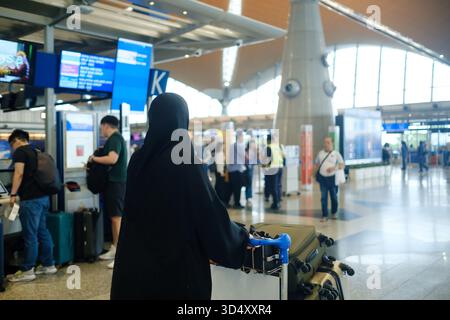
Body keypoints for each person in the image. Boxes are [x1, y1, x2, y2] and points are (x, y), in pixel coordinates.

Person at [110, 93, 248, 300]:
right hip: (175, 274)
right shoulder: (185, 161)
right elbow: (208, 214)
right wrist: (238, 237)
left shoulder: (138, 159)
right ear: (181, 121)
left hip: (134, 268)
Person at [6, 129, 56, 282]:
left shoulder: (20, 152)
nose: (12, 148)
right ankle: (49, 265)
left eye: (12, 145)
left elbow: (18, 173)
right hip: (43, 198)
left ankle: (28, 269)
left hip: (30, 200)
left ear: (17, 140)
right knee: (42, 231)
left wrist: (13, 194)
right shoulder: (37, 151)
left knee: (30, 235)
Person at [90, 115, 127, 270]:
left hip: (116, 183)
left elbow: (112, 159)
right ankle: (114, 248)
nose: (101, 131)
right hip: (114, 183)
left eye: (101, 127)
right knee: (113, 217)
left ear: (106, 125)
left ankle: (120, 255)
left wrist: (94, 159)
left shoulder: (115, 138)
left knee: (117, 218)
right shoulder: (116, 138)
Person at [314, 137, 345, 222]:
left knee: (334, 197)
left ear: (332, 143)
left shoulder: (336, 154)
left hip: (333, 179)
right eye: (325, 142)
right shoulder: (320, 153)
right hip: (322, 179)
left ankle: (334, 212)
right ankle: (324, 215)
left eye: (328, 142)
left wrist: (334, 168)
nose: (326, 144)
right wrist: (314, 173)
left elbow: (342, 165)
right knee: (323, 198)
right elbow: (316, 164)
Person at [263, 133, 284, 211]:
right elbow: (283, 156)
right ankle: (278, 201)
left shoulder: (269, 147)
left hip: (273, 169)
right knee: (278, 185)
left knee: (273, 186)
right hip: (280, 168)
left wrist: (266, 168)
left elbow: (268, 159)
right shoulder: (278, 146)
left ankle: (276, 203)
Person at [227, 130, 246, 209]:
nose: (243, 138)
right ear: (239, 136)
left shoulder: (232, 145)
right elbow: (243, 157)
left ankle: (226, 201)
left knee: (232, 187)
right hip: (237, 169)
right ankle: (237, 203)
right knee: (237, 187)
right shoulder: (239, 146)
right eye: (242, 136)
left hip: (232, 169)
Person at [244, 138, 257, 208]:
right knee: (248, 183)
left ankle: (249, 197)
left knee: (249, 183)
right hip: (246, 169)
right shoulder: (246, 151)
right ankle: (248, 197)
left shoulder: (253, 151)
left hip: (250, 169)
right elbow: (247, 159)